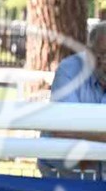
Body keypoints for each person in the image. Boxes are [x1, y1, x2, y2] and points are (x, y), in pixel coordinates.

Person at [45, 22, 106, 177]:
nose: (105, 62)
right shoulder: (69, 70)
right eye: (102, 54)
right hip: (65, 177)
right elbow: (63, 129)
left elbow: (72, 132)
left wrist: (86, 141)